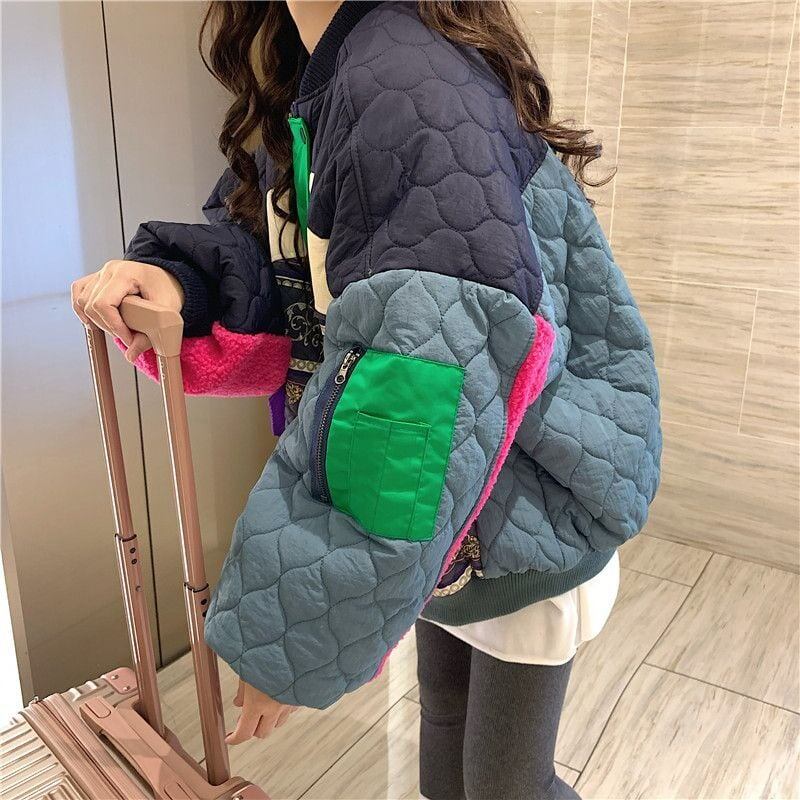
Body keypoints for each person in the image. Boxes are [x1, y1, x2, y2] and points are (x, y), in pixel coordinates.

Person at [72, 3, 661, 798]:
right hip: (448, 510)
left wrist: (298, 629)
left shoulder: (404, 76)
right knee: (444, 731)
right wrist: (187, 282)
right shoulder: (325, 67)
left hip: (514, 496)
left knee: (504, 785)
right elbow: (303, 263)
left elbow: (416, 382)